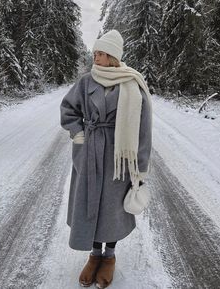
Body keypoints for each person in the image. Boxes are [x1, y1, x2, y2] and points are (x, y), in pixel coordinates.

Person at [60, 29, 152, 288]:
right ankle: (94, 255)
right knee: (89, 205)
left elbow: (143, 129)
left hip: (119, 157)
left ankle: (108, 257)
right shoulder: (86, 81)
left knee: (111, 209)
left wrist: (140, 168)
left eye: (101, 53)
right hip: (88, 152)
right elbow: (68, 109)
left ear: (113, 56)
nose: (96, 57)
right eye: (95, 53)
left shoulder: (132, 84)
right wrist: (78, 134)